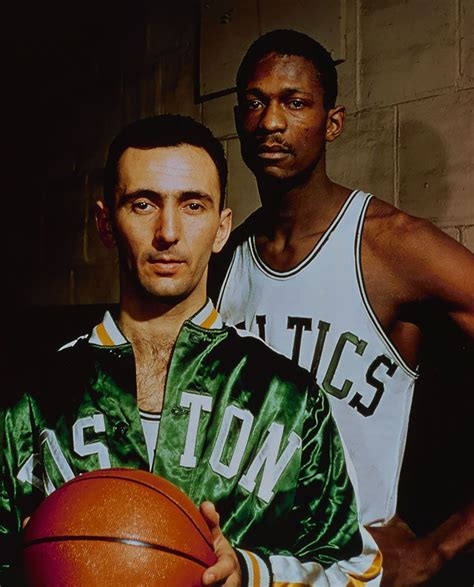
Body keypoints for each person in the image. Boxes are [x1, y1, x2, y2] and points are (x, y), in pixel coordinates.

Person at [0, 114, 382, 586]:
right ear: (105, 224)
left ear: (222, 228)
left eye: (193, 205)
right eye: (143, 204)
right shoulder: (34, 404)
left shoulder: (288, 398)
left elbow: (357, 569)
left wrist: (249, 573)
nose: (168, 232)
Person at [210, 29, 474, 585]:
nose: (272, 122)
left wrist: (443, 548)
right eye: (256, 103)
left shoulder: (389, 244)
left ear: (333, 122)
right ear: (238, 120)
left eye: (295, 102)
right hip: (244, 566)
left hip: (350, 569)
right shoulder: (226, 256)